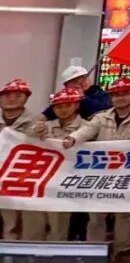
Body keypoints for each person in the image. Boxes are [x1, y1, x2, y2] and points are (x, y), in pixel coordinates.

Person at [63, 77, 130, 255]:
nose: (120, 98)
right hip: (101, 172)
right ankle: (94, 250)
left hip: (128, 172)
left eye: (124, 94)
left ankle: (123, 249)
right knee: (96, 214)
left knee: (123, 214)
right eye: (116, 95)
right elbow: (88, 129)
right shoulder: (102, 116)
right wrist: (73, 138)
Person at [35, 87, 87, 241]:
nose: (63, 110)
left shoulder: (87, 127)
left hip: (73, 182)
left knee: (61, 225)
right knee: (37, 223)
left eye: (67, 105)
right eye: (58, 106)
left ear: (77, 105)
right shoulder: (45, 126)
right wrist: (35, 133)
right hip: (44, 180)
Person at [0, 79, 47, 241]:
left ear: (26, 98)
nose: (11, 99)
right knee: (8, 221)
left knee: (31, 223)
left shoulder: (37, 119)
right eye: (7, 95)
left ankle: (29, 251)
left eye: (18, 95)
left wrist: (41, 133)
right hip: (3, 179)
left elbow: (44, 143)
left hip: (28, 178)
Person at [45, 65, 110, 120]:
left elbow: (102, 111)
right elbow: (48, 115)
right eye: (74, 80)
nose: (81, 82)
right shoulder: (63, 98)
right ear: (66, 85)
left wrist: (83, 98)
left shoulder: (102, 95)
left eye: (83, 77)